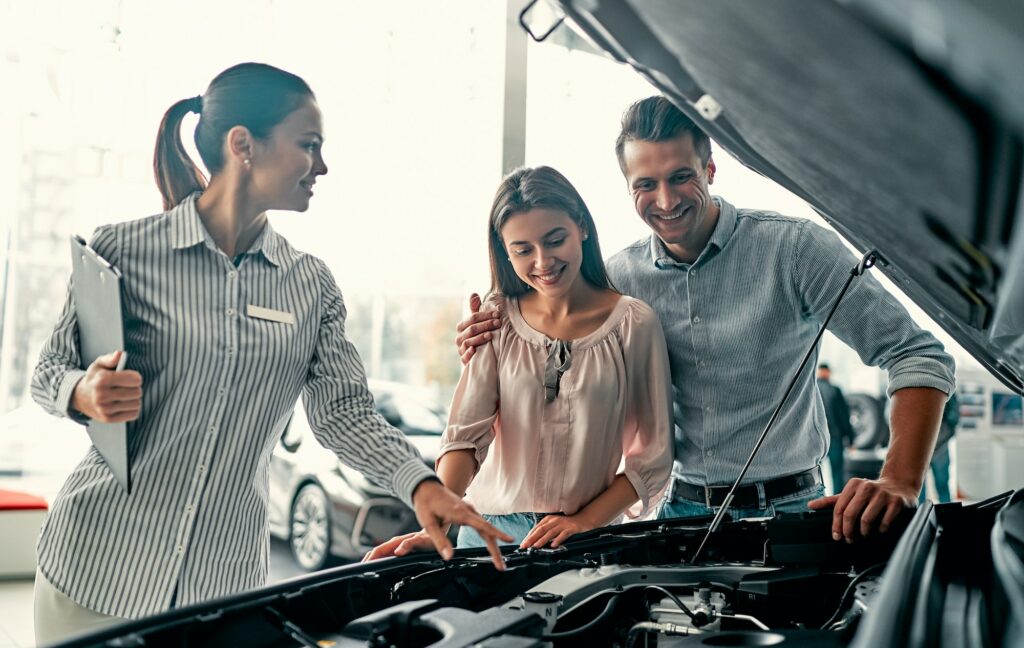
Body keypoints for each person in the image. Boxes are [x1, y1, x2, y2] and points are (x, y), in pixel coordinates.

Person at [29, 62, 510, 644]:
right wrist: (83, 392)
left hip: (221, 586)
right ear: (244, 146)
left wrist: (421, 485)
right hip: (95, 568)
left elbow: (343, 414)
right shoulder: (123, 250)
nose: (322, 165)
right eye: (309, 145)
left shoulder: (310, 285)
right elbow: (50, 371)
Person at [456, 96, 955, 545]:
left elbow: (916, 354)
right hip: (678, 514)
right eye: (645, 185)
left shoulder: (795, 250)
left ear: (711, 168)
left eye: (681, 177)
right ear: (628, 188)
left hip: (792, 510)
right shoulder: (617, 281)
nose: (666, 201)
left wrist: (899, 479)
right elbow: (540, 333)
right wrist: (481, 337)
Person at [364, 166, 673, 560]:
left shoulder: (634, 323)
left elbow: (652, 457)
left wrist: (585, 521)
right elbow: (465, 436)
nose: (543, 261)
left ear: (582, 226)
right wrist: (436, 527)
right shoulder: (495, 318)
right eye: (523, 250)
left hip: (586, 541)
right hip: (489, 533)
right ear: (505, 252)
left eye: (555, 240)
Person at [816, 363, 856, 494]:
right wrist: (850, 438)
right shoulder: (834, 390)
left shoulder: (812, 389)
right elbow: (843, 415)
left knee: (814, 473)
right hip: (835, 437)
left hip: (816, 439)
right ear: (828, 372)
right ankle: (837, 499)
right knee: (837, 472)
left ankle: (818, 499)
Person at [919, 391, 959, 503]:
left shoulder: (945, 388)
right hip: (920, 449)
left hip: (939, 448)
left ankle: (946, 513)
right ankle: (921, 513)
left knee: (942, 487)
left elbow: (954, 417)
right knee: (919, 489)